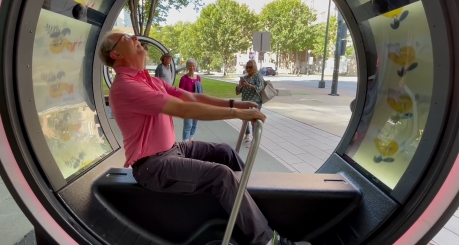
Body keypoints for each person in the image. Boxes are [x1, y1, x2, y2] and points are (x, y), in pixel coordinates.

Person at [98, 32, 307, 245]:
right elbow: (183, 108)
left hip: (173, 150)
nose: (134, 37)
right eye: (125, 38)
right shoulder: (126, 87)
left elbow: (192, 97)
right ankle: (269, 241)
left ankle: (252, 210)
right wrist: (237, 115)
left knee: (225, 152)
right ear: (115, 53)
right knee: (221, 175)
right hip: (153, 166)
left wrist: (234, 104)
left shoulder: (150, 80)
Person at [236, 60, 265, 148]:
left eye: (250, 67)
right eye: (247, 67)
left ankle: (254, 142)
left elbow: (260, 88)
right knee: (244, 119)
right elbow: (237, 91)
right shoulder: (246, 77)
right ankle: (247, 134)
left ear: (254, 67)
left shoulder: (258, 76)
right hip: (245, 102)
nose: (248, 69)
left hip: (255, 102)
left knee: (254, 122)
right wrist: (240, 86)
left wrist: (248, 85)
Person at [179, 58, 202, 142]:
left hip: (197, 105)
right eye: (190, 66)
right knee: (188, 125)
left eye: (193, 66)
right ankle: (184, 143)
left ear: (195, 66)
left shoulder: (198, 78)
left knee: (195, 124)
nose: (192, 68)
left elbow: (200, 91)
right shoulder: (184, 79)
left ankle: (191, 139)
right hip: (188, 105)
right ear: (187, 67)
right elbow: (180, 93)